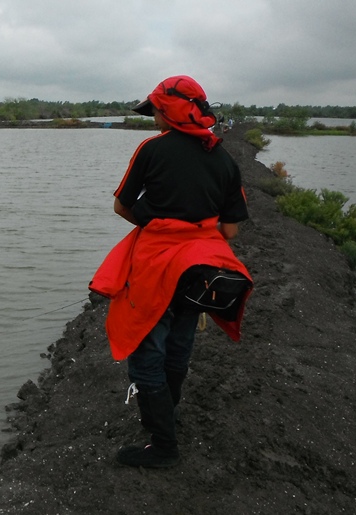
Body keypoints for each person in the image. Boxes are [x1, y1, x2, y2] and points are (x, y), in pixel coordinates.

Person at [88, 75, 253, 468]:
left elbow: (122, 207)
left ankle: (163, 445)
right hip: (201, 269)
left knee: (146, 352)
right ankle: (166, 417)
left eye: (156, 112)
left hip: (155, 267)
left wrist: (158, 222)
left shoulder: (152, 150)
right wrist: (195, 229)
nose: (153, 120)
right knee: (179, 345)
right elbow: (230, 229)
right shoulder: (223, 158)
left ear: (167, 113)